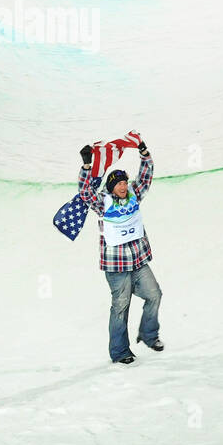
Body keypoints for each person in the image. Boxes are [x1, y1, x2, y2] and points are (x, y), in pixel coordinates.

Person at [78, 138, 162, 364]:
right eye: (119, 184)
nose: (123, 186)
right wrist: (87, 165)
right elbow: (85, 192)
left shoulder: (135, 194)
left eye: (125, 182)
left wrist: (144, 152)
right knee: (120, 307)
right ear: (111, 187)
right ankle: (120, 352)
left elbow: (146, 176)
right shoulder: (102, 203)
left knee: (155, 294)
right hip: (116, 267)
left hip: (138, 261)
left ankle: (148, 334)